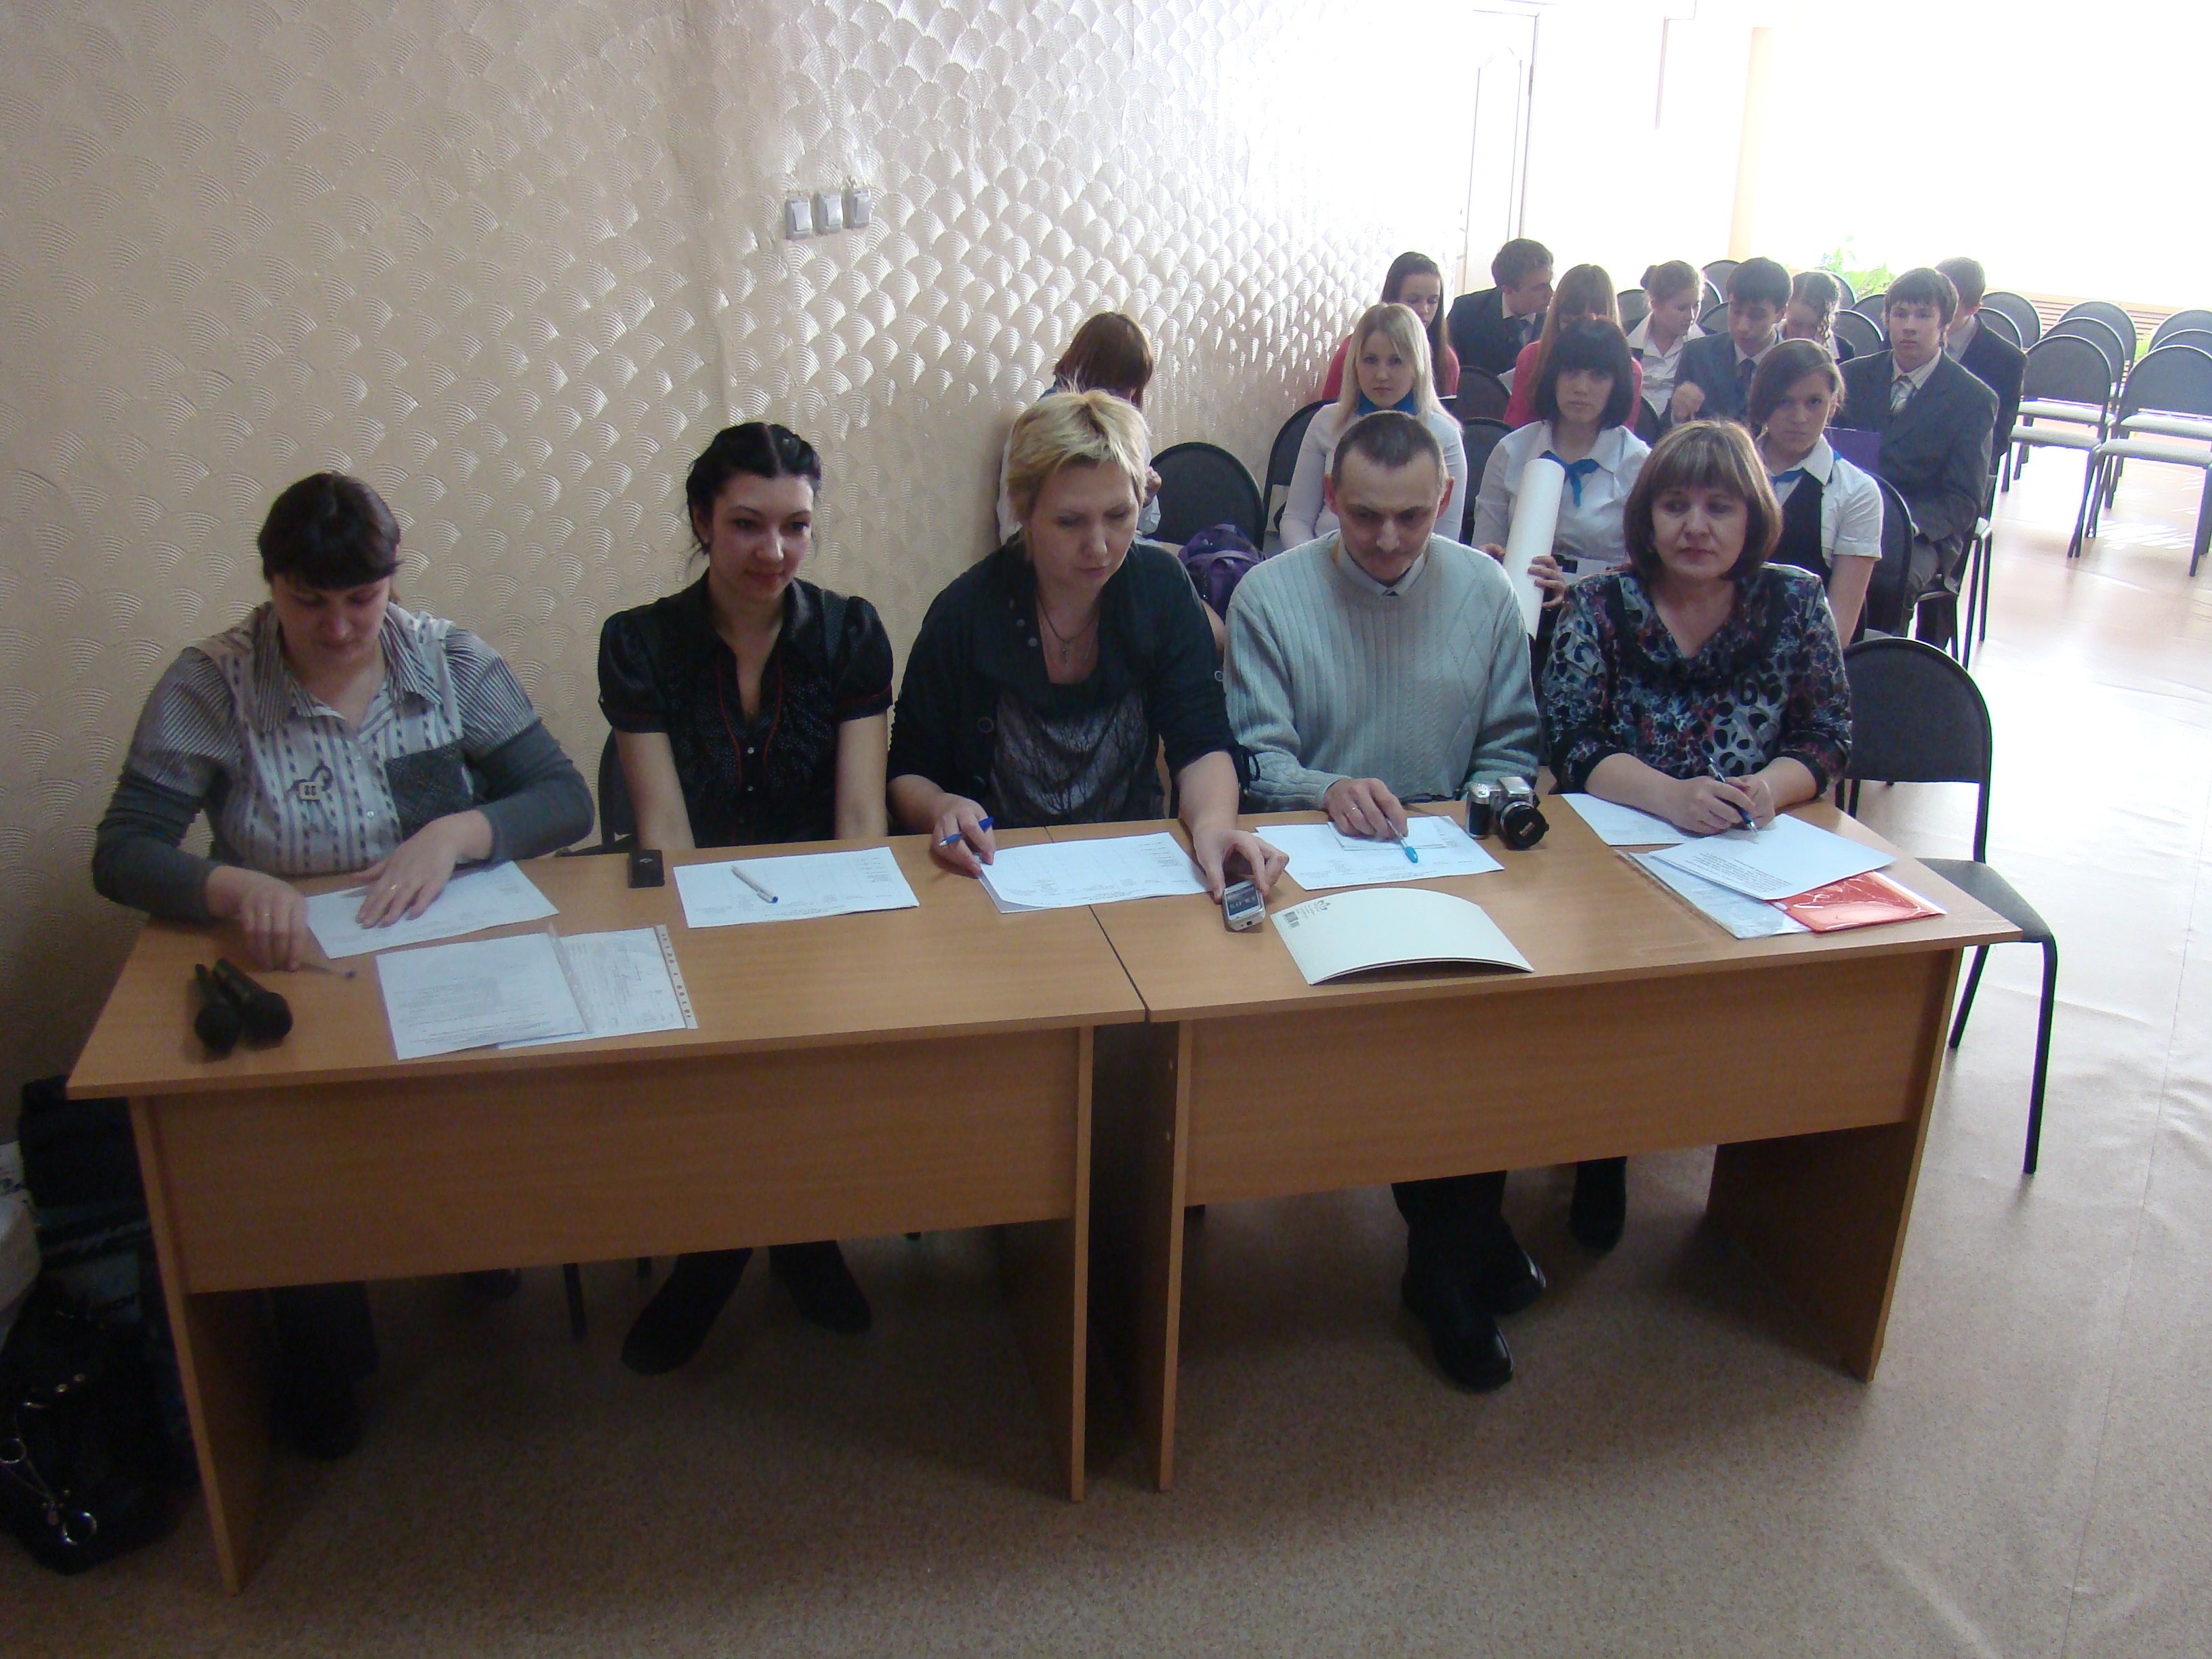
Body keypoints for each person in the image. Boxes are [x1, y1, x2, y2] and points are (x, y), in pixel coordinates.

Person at [91, 472, 595, 1458]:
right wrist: (231, 886)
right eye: (308, 601)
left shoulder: (448, 658)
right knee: (302, 1155)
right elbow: (122, 851)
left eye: (361, 599)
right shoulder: (212, 683)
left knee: (486, 1104)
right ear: (271, 585)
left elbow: (562, 797)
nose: (337, 627)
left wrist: (457, 833)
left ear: (392, 580)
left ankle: (472, 1243)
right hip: (302, 965)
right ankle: (322, 1348)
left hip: (440, 948)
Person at [1226, 409, 1544, 1393]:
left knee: (1487, 1024)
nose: (1389, 539)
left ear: (1444, 499)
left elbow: (1511, 747)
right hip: (1311, 869)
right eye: (1364, 516)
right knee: (1420, 1036)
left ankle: (1458, 1249)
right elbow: (1254, 760)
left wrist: (1470, 814)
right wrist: (1326, 787)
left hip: (1446, 861)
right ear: (1330, 498)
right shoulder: (1271, 594)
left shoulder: (1484, 590)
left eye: (1412, 517)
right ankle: (1453, 1269)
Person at [598, 422, 895, 1374]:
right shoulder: (639, 643)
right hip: (696, 901)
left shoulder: (851, 634)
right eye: (747, 525)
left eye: (796, 526)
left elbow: (860, 815)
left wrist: (847, 937)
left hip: (818, 906)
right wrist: (713, 957)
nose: (775, 551)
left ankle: (800, 1232)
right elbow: (662, 827)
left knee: (822, 1041)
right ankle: (720, 1250)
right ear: (702, 521)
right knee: (721, 1048)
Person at [1540, 420, 1852, 1254]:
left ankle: (1758, 1138)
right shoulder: (1600, 604)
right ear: (1647, 519)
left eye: (1719, 507)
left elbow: (1826, 737)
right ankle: (1603, 1145)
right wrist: (1671, 797)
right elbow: (1571, 743)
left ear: (1753, 517)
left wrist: (1769, 788)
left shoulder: (1795, 603)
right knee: (1615, 992)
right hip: (1617, 844)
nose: (1696, 527)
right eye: (1675, 506)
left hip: (1750, 848)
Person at [888, 390, 1286, 903]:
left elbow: (1202, 742)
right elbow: (907, 773)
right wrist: (941, 805)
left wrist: (1214, 827)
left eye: (1119, 515)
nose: (1099, 546)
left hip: (1132, 874)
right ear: (1025, 512)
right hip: (993, 876)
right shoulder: (965, 612)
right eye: (1070, 521)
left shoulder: (1161, 589)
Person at [1837, 267, 1998, 641]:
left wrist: (1907, 524)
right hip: (1849, 513)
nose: (1909, 326)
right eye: (1900, 314)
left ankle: (1881, 665)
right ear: (1887, 319)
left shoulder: (1973, 398)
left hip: (1923, 532)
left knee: (1888, 578)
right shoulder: (1851, 377)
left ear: (1945, 324)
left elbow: (1964, 499)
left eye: (1923, 316)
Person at [1471, 319, 1649, 611]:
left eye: (1598, 376)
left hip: (1602, 613)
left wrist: (1575, 588)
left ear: (1616, 385)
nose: (1581, 388)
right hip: (1515, 605)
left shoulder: (1638, 464)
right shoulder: (1512, 450)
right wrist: (1492, 560)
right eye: (1571, 373)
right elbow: (1483, 549)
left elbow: (1643, 576)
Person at [1279, 303, 1469, 550]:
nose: (1381, 375)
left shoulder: (1444, 435)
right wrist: (1311, 565)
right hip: (1326, 558)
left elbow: (1445, 541)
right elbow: (1296, 519)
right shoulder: (1326, 422)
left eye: (1396, 361)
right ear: (1355, 364)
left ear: (1417, 365)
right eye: (1370, 360)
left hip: (1406, 566)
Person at [1749, 340, 1884, 642]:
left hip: (1806, 652)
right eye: (1784, 402)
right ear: (1762, 402)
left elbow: (1839, 630)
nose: (1799, 417)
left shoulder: (1857, 492)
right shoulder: (1728, 472)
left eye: (1814, 402)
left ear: (1833, 405)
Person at [997, 312, 1162, 544]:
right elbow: (1014, 530)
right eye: (1122, 386)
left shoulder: (1129, 431)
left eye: (1135, 388)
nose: (1128, 398)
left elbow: (1147, 525)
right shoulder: (1040, 431)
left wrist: (1144, 496)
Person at [1501, 264, 1644, 429]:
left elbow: (1621, 434)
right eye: (1569, 323)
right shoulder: (1532, 357)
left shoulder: (1630, 370)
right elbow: (1515, 428)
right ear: (1556, 319)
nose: (1578, 336)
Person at [1320, 251, 1460, 401]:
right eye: (1413, 300)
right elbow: (1332, 409)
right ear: (1393, 301)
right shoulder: (1354, 350)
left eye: (1432, 301)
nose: (1424, 310)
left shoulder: (1446, 359)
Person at [1671, 256, 1791, 426]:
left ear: (1780, 314)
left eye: (1756, 316)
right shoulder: (1698, 355)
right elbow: (1665, 433)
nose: (1743, 326)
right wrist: (1677, 415)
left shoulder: (1793, 367)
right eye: (1736, 311)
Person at [1936, 255, 2026, 482]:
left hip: (1959, 473)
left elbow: (1998, 438)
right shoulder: (1902, 338)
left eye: (1949, 311)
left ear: (1974, 308)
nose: (1937, 318)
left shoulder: (2006, 360)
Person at [1447, 237, 1555, 378]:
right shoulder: (1466, 312)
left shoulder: (1557, 317)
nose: (1551, 294)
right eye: (1539, 288)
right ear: (1507, 289)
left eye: (1549, 283)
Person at [1627, 260, 1704, 439]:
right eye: (1682, 308)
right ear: (1655, 305)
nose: (1691, 316)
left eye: (1696, 305)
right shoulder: (1626, 339)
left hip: (1682, 441)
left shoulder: (1708, 349)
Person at [1783, 270, 1853, 362]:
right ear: (1785, 310)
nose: (1803, 335)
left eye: (1814, 327)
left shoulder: (1844, 353)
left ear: (1829, 318)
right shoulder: (1765, 341)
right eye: (1796, 324)